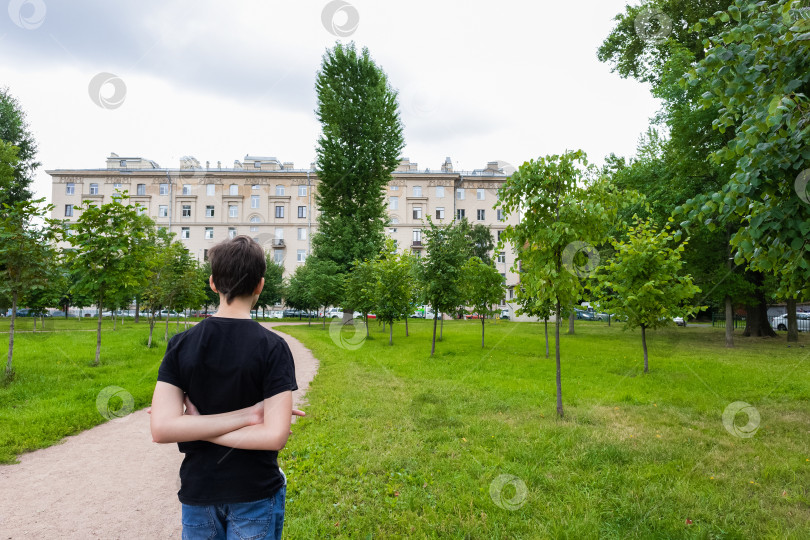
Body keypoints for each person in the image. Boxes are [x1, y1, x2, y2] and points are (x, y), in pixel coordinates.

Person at [150, 235, 301, 540]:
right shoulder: (273, 347)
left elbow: (164, 428)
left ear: (212, 283)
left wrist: (193, 425)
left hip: (199, 491)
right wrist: (249, 415)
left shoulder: (181, 344)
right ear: (260, 285)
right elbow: (274, 436)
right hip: (254, 491)